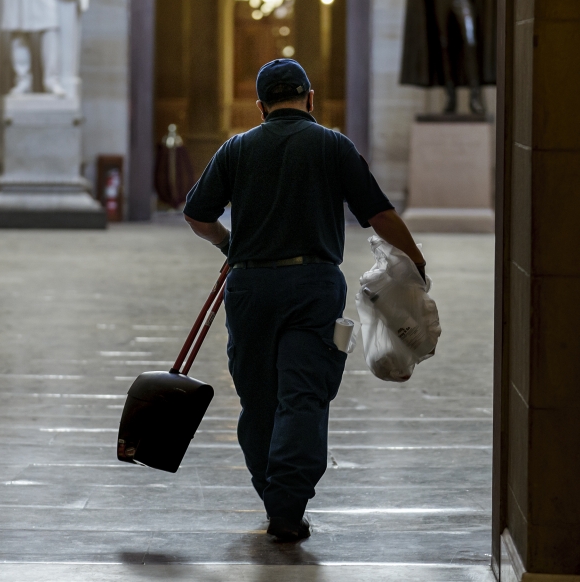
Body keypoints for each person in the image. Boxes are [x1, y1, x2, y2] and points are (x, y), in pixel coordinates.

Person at [183, 59, 428, 542]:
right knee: (305, 396)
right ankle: (287, 506)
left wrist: (227, 244)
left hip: (250, 288)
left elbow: (197, 215)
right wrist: (416, 261)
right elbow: (378, 213)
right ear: (310, 99)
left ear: (260, 107)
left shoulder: (237, 148)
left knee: (258, 400)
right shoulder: (332, 145)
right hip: (313, 285)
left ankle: (273, 496)